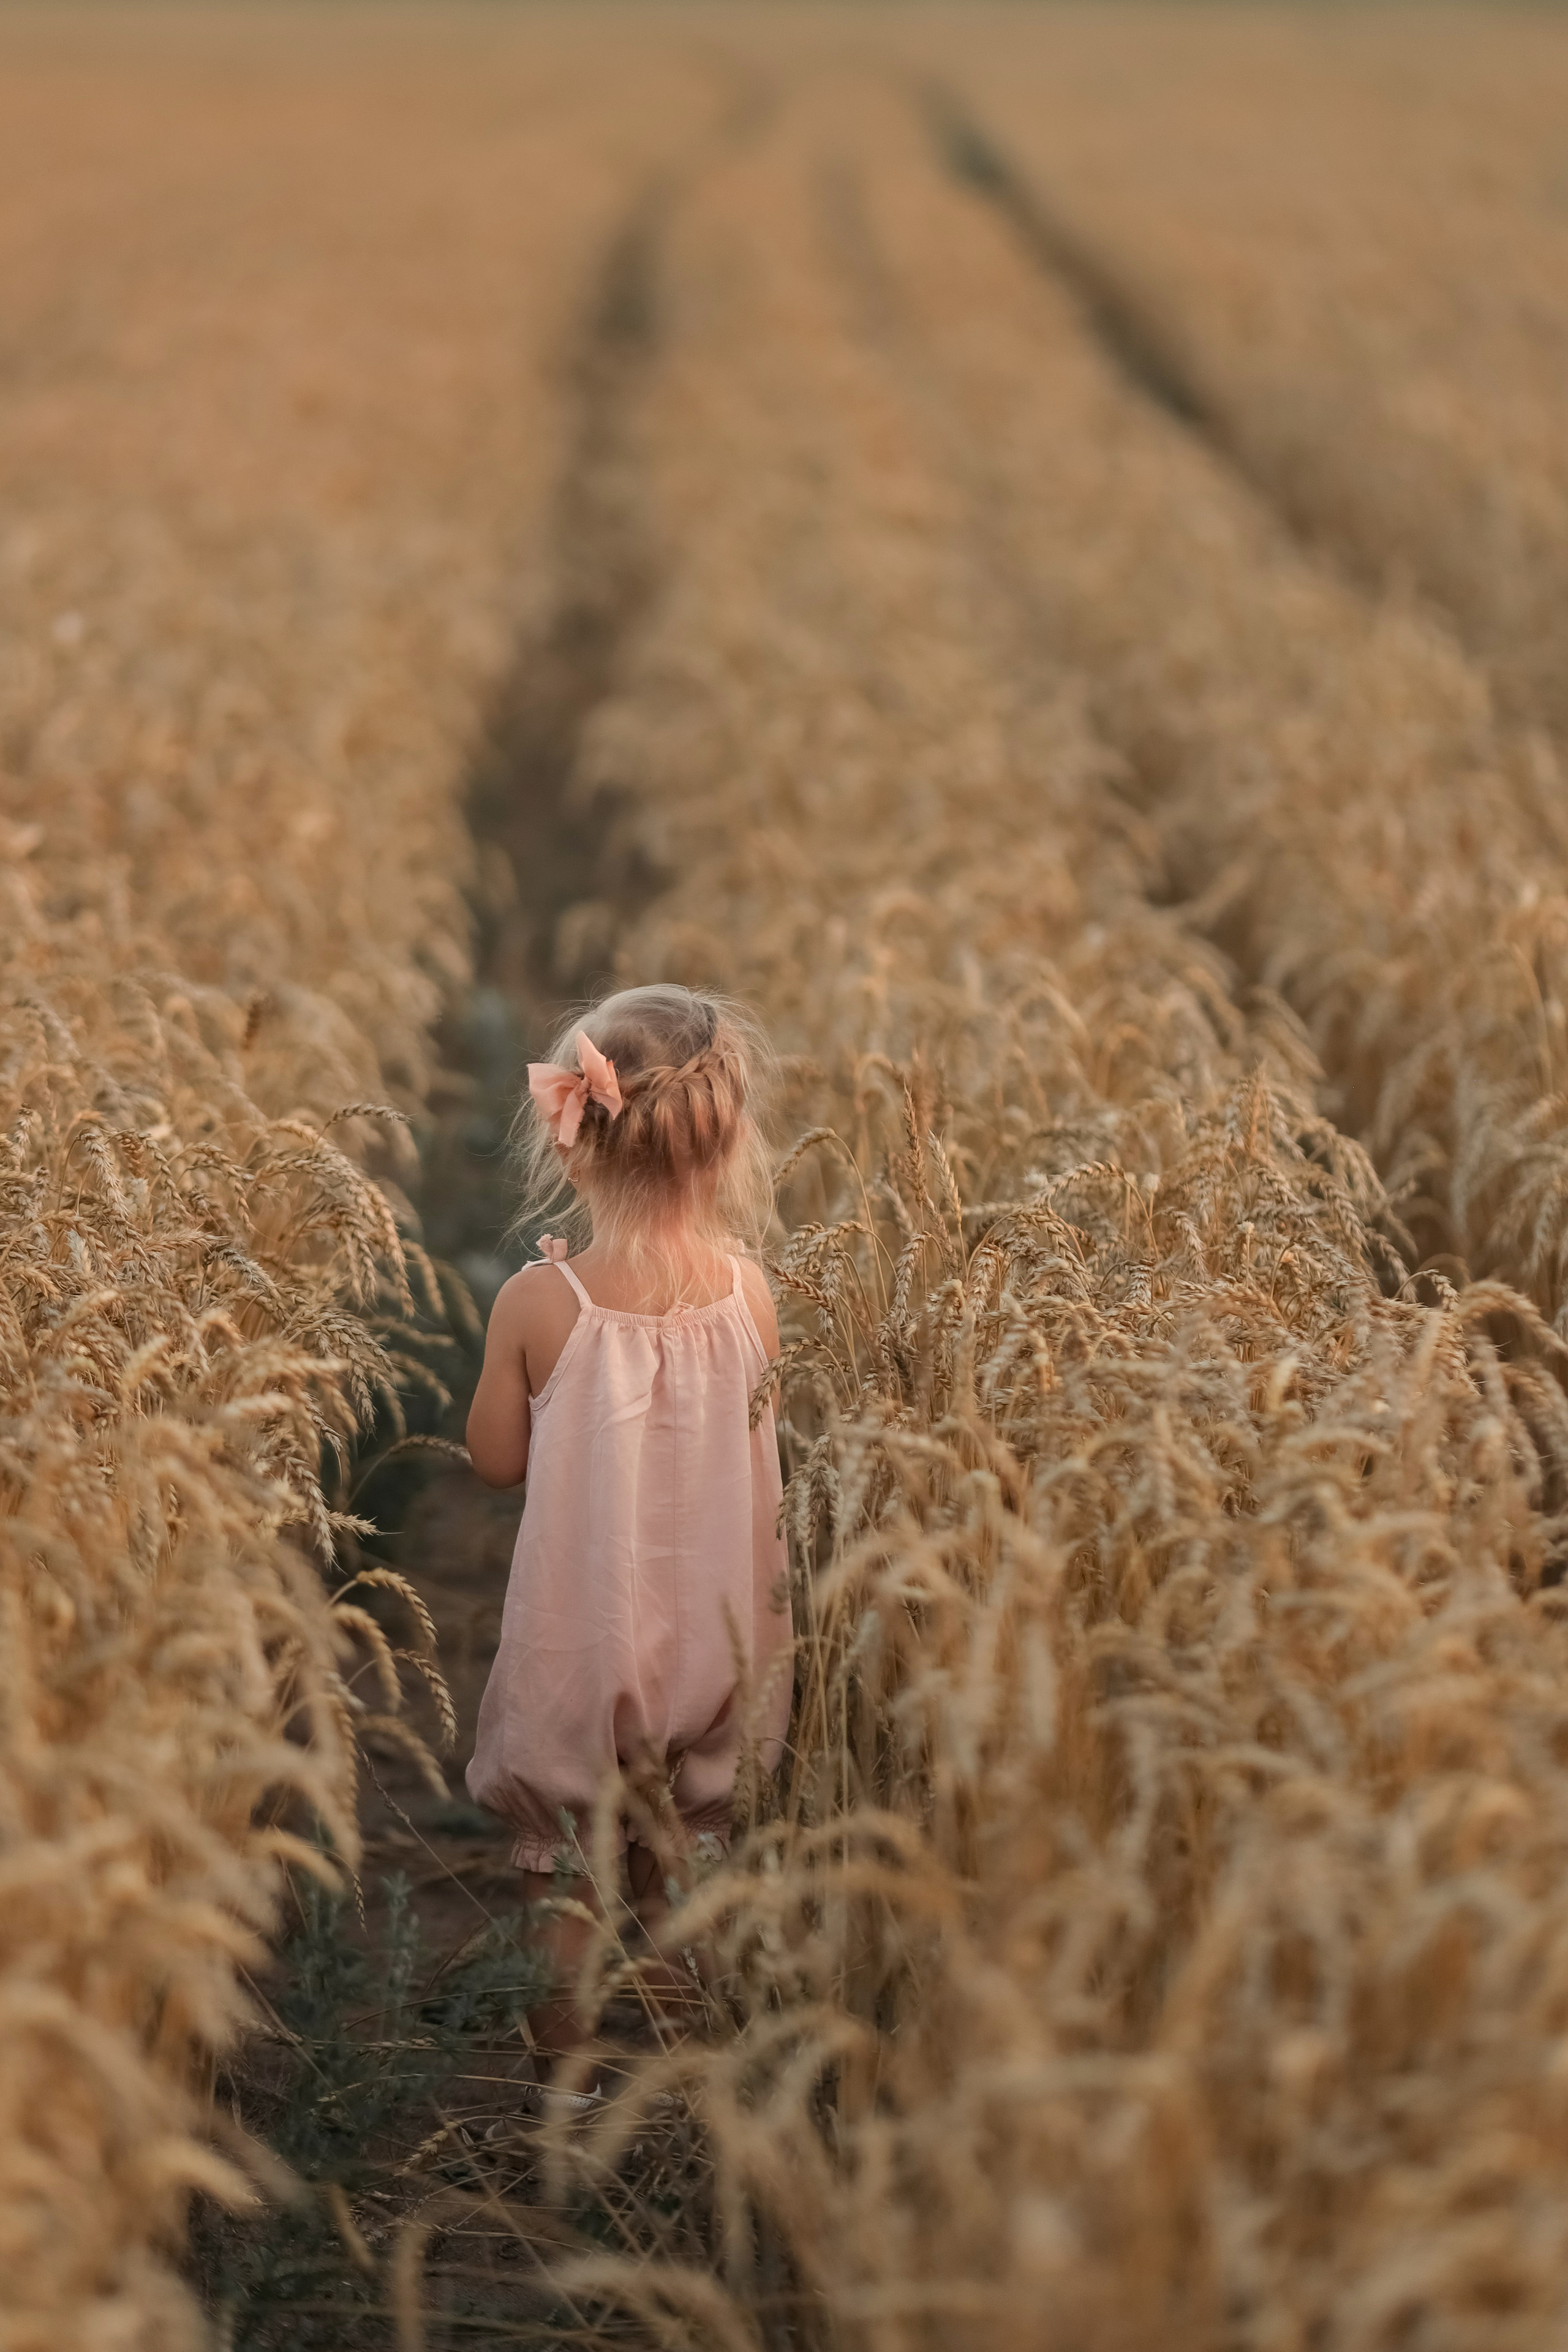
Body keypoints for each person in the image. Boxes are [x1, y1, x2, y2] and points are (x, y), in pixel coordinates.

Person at [464, 983, 793, 2105]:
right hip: (722, 1649)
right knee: (686, 1875)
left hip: (581, 1647)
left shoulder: (537, 1301)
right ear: (727, 1141)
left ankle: (567, 2095)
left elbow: (494, 1461)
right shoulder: (752, 1293)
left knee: (568, 1891)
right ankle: (696, 2099)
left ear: (574, 1142)